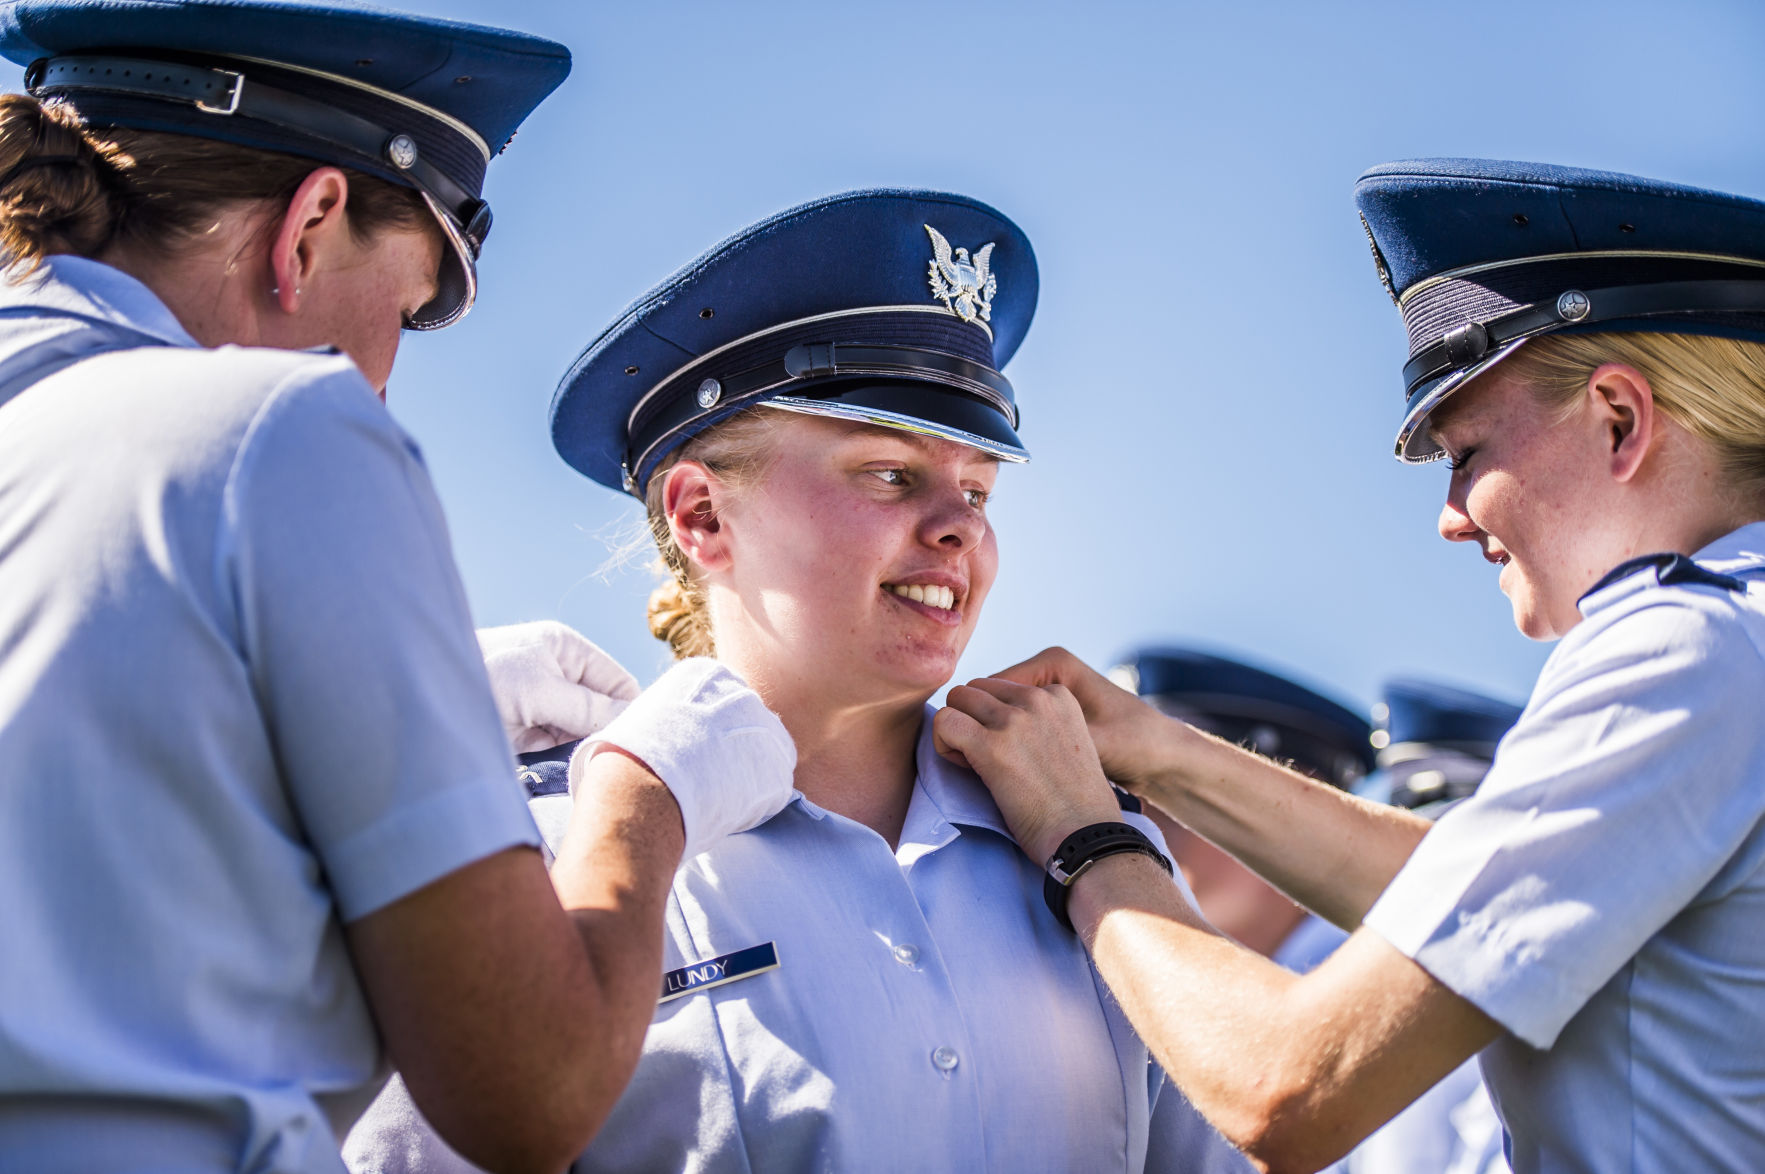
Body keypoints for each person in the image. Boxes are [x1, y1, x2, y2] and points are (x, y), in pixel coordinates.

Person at [0, 4, 793, 1171]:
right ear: (311, 224)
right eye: (410, 307)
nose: (383, 378)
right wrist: (645, 792)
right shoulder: (279, 431)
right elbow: (531, 1090)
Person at [347, 189, 1248, 1173]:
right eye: (890, 475)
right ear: (699, 516)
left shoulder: (1091, 844)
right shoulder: (540, 850)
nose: (961, 527)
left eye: (980, 488)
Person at [936, 158, 1765, 1173]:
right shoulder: (1737, 636)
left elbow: (1290, 1089)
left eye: (1465, 453)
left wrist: (1084, 836)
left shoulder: (1678, 648)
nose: (1451, 517)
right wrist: (1160, 754)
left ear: (1619, 419)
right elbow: (1460, 893)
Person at [1111, 647, 1371, 973]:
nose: (1135, 814)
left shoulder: (1376, 981)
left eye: (1171, 790)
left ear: (1294, 806)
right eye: (1121, 790)